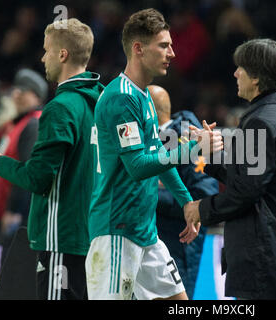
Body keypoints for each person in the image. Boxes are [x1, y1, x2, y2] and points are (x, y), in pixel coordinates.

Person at [86, 8, 222, 300]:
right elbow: (137, 166)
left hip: (144, 232)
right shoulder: (121, 98)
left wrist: (186, 201)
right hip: (116, 233)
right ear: (138, 49)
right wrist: (193, 148)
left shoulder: (143, 94)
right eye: (164, 45)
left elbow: (158, 154)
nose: (172, 52)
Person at [184, 38, 276, 299]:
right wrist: (209, 154)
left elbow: (246, 192)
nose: (235, 73)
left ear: (256, 78)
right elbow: (248, 179)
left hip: (264, 261)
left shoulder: (261, 123)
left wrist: (202, 209)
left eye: (240, 67)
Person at [0, 18, 103, 300]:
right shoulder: (101, 102)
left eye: (47, 50)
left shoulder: (61, 107)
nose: (43, 57)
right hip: (94, 235)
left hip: (61, 238)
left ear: (62, 54)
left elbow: (38, 177)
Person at [148, 84, 219, 299]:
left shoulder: (189, 139)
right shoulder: (150, 140)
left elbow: (202, 198)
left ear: (148, 111)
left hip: (179, 246)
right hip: (151, 241)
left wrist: (150, 193)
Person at [0, 68, 47, 267]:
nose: (17, 94)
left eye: (24, 90)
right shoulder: (19, 124)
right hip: (0, 211)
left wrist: (14, 210)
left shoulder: (33, 124)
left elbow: (28, 169)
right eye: (17, 89)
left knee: (8, 273)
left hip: (15, 216)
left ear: (36, 95)